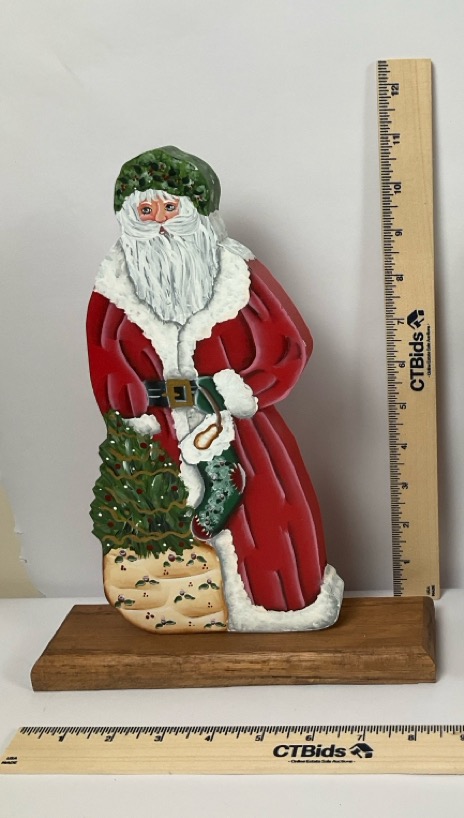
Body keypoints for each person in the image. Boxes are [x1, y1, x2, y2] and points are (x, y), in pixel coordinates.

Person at [87, 146, 343, 631]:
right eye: (146, 211)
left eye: (170, 207)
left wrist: (240, 390)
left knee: (265, 511)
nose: (160, 223)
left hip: (237, 424)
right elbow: (106, 360)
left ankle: (276, 606)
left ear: (197, 210)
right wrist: (131, 416)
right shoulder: (115, 286)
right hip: (158, 430)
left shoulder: (236, 275)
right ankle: (185, 610)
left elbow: (289, 345)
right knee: (164, 520)